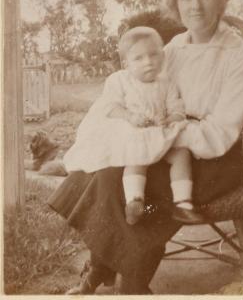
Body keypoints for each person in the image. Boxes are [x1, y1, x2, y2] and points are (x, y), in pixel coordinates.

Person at [48, 0, 243, 294]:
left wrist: (167, 131)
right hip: (162, 143)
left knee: (128, 188)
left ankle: (128, 280)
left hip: (212, 158)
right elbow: (136, 90)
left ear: (222, 0)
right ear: (176, 4)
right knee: (105, 169)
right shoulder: (171, 47)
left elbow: (221, 132)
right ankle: (106, 267)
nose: (195, 5)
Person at [63, 26, 197, 225]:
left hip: (160, 133)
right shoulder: (119, 80)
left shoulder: (167, 83)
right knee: (136, 156)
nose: (149, 62)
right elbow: (110, 107)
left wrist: (169, 120)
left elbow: (177, 109)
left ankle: (183, 202)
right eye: (139, 58)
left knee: (182, 153)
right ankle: (134, 200)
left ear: (162, 55)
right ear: (126, 64)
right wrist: (129, 116)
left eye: (154, 55)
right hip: (135, 132)